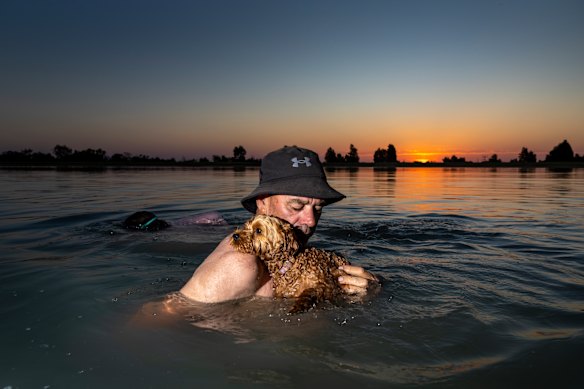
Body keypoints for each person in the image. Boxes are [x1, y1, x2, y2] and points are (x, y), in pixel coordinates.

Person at [179, 146, 380, 303]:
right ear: (263, 202)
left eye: (318, 208)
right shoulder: (239, 265)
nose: (310, 221)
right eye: (296, 206)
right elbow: (167, 316)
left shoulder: (291, 256)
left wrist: (366, 289)